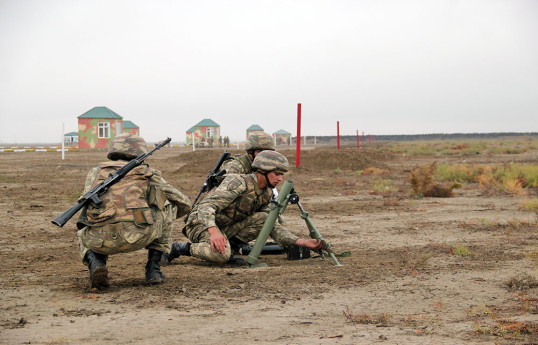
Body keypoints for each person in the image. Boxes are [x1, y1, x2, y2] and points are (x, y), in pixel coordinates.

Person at [161, 151, 323, 265]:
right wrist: (214, 231)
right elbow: (206, 206)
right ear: (263, 171)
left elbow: (271, 227)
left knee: (265, 218)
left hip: (225, 227)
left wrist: (302, 242)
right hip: (201, 224)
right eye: (277, 174)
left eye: (282, 175)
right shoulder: (238, 182)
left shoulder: (266, 194)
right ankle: (179, 248)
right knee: (221, 255)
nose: (280, 179)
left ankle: (228, 246)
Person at [76, 133, 191, 288]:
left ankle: (96, 262)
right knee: (168, 205)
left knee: (83, 226)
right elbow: (183, 202)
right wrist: (168, 216)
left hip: (98, 241)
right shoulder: (147, 173)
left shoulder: (94, 173)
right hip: (137, 236)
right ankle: (153, 269)